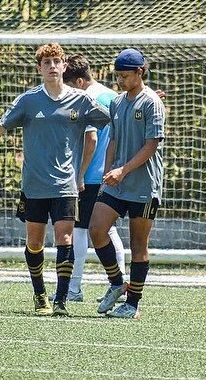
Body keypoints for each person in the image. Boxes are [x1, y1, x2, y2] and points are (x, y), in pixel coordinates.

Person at [0, 43, 110, 317]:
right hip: (34, 186)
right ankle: (39, 292)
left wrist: (142, 99)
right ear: (39, 69)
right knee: (35, 243)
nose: (52, 66)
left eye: (57, 61)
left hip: (65, 185)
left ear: (64, 66)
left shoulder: (82, 100)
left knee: (64, 239)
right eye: (47, 63)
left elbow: (111, 118)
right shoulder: (28, 101)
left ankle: (61, 301)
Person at [89, 48, 166, 319]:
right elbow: (113, 140)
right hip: (117, 182)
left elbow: (151, 146)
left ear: (139, 72)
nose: (120, 81)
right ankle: (116, 282)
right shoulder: (117, 103)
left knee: (138, 245)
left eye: (125, 76)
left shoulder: (152, 103)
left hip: (144, 186)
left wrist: (123, 169)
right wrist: (108, 171)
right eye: (117, 76)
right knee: (96, 228)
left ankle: (132, 305)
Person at [59, 54, 126, 303]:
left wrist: (79, 174)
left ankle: (74, 288)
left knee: (78, 231)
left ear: (78, 81)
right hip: (112, 174)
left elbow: (91, 139)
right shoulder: (113, 96)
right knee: (108, 231)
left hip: (89, 176)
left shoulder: (87, 98)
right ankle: (120, 285)